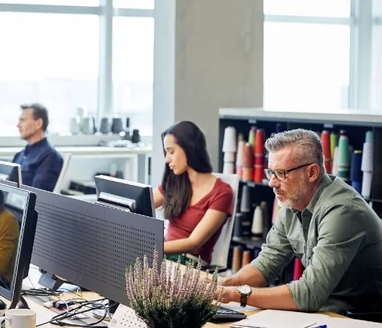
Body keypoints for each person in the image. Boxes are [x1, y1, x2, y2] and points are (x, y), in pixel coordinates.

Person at [219, 129, 382, 313]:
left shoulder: (342, 211)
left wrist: (235, 294)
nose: (272, 182)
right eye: (270, 172)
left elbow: (308, 294)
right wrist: (222, 286)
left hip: (364, 322)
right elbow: (267, 264)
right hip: (326, 314)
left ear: (312, 172)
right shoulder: (291, 204)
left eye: (281, 173)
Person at [153, 121, 234, 264]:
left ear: (189, 148)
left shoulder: (222, 193)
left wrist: (151, 248)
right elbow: (141, 204)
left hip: (191, 264)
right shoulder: (175, 183)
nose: (167, 159)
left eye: (171, 151)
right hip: (163, 258)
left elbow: (193, 243)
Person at [12, 103, 64, 192]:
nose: (18, 125)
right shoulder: (19, 155)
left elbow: (38, 194)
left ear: (38, 123)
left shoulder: (50, 156)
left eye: (23, 120)